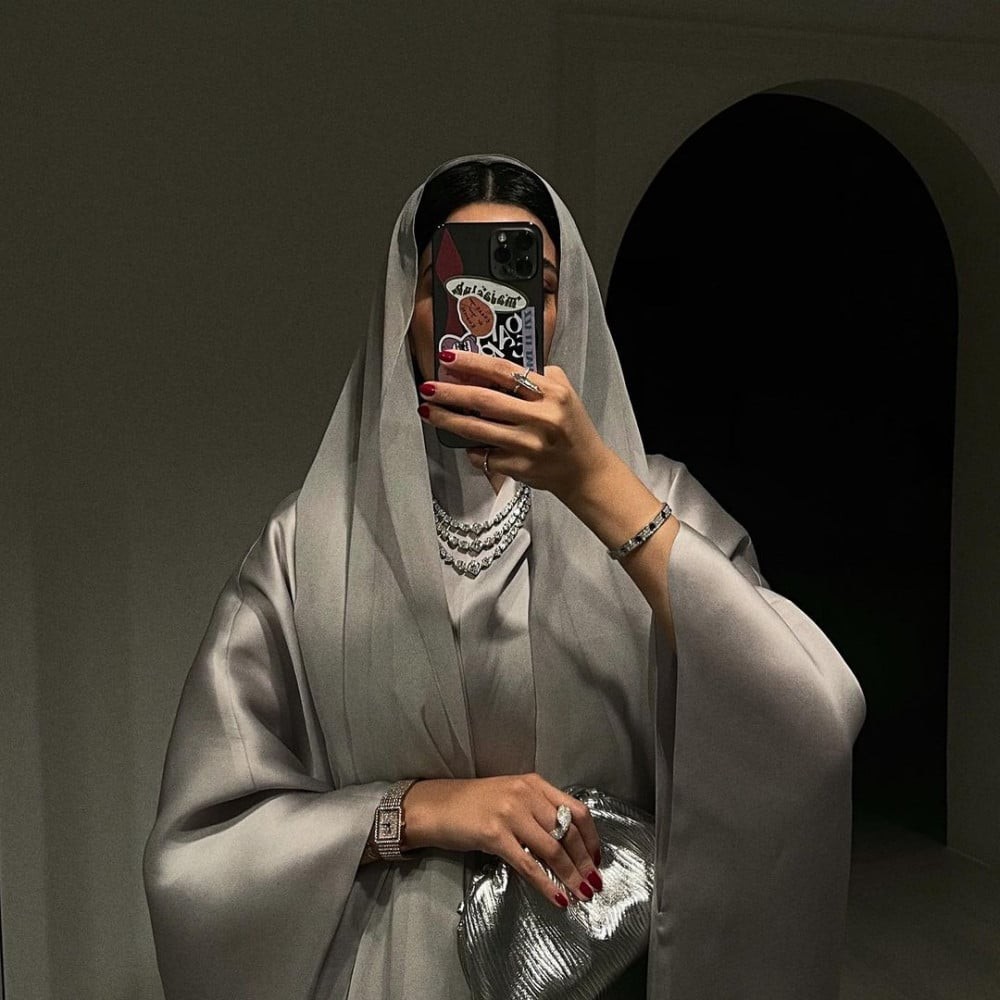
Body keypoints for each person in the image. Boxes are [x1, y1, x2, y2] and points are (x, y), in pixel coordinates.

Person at [144, 154, 865, 999]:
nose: (485, 312)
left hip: (599, 959)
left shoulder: (656, 503)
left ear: (564, 314)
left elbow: (806, 718)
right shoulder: (308, 545)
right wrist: (420, 809)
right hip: (396, 973)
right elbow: (205, 843)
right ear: (405, 313)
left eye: (531, 283)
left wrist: (597, 488)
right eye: (449, 285)